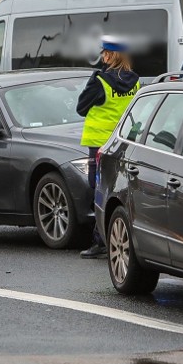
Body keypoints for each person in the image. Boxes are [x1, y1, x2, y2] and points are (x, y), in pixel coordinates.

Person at [76, 35, 140, 259]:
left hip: (100, 145)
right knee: (120, 191)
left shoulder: (100, 81)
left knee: (99, 191)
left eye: (104, 53)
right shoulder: (136, 81)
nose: (102, 56)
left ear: (111, 55)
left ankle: (101, 240)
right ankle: (117, 238)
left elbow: (81, 108)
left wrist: (95, 78)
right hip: (123, 143)